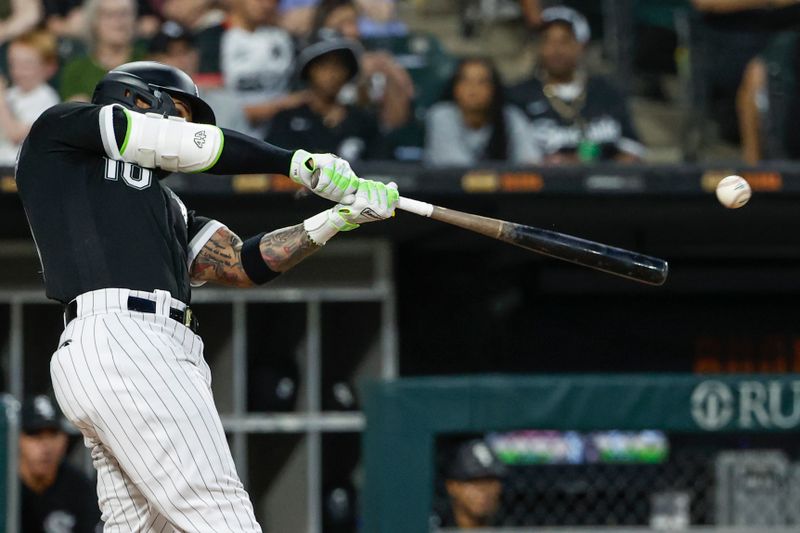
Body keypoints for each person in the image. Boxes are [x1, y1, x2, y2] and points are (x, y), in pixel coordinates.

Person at [15, 60, 398, 532]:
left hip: (131, 351)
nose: (187, 125)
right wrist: (296, 163)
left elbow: (241, 264)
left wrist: (337, 219)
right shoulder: (62, 132)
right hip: (126, 340)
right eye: (178, 110)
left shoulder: (164, 204)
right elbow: (185, 145)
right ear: (138, 98)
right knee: (222, 516)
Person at [508, 6, 644, 163]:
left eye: (565, 40)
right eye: (547, 40)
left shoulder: (606, 92)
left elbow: (632, 151)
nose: (556, 49)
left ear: (581, 45)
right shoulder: (518, 96)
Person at [267, 31, 383, 160]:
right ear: (308, 70)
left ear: (348, 71)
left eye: (338, 66)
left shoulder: (363, 121)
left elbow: (382, 169)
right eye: (323, 66)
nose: (332, 74)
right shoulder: (287, 119)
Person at [313, 0, 413, 130]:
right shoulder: (308, 61)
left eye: (354, 22)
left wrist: (389, 72)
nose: (351, 31)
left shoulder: (374, 62)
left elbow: (395, 120)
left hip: (366, 139)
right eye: (341, 24)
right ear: (323, 28)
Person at [425, 56, 541, 167]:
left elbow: (531, 163)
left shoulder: (510, 116)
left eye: (482, 82)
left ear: (494, 89)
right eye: (466, 81)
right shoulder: (442, 115)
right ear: (455, 87)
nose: (473, 88)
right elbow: (455, 169)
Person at [19, 395, 101, 533]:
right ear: (17, 439)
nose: (45, 446)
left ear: (65, 439)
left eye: (53, 434)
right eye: (35, 435)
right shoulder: (5, 487)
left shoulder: (81, 490)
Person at [58, 0, 145, 101]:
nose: (118, 21)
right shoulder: (76, 70)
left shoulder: (150, 62)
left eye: (124, 14)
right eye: (109, 15)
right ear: (94, 23)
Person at [0, 30, 60, 166]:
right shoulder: (11, 94)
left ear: (49, 67)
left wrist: (1, 101)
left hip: (19, 170)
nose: (18, 71)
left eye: (26, 65)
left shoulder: (45, 98)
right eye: (13, 64)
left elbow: (16, 135)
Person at [433, 438, 507, 529]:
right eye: (474, 481)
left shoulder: (517, 527)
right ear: (452, 486)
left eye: (490, 480)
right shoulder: (433, 527)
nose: (484, 489)